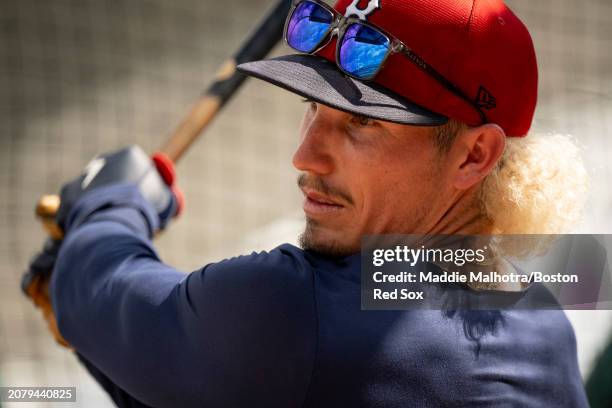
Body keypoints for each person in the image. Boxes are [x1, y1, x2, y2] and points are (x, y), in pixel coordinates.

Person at [30, 0, 590, 406]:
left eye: (362, 122)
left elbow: (103, 293)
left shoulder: (297, 309)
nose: (305, 156)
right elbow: (212, 380)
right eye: (312, 108)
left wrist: (111, 208)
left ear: (474, 156)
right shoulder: (545, 323)